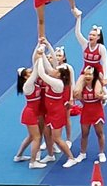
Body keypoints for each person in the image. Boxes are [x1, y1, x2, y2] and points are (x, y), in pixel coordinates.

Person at [33, 40, 80, 168]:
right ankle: (50, 154)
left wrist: (41, 54)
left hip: (57, 113)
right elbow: (50, 65)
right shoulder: (55, 77)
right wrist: (43, 49)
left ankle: (71, 158)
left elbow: (42, 73)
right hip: (50, 111)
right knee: (47, 133)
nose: (53, 70)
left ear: (59, 74)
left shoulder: (57, 83)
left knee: (57, 138)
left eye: (56, 70)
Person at [14, 46, 46, 168]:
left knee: (31, 136)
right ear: (25, 77)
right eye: (29, 72)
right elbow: (36, 70)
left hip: (34, 111)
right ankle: (33, 162)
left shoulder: (31, 82)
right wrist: (41, 53)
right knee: (37, 137)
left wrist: (38, 47)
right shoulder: (27, 85)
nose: (31, 72)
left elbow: (34, 65)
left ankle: (18, 156)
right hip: (30, 113)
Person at [73, 65, 107, 163]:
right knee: (84, 134)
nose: (88, 76)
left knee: (99, 133)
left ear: (94, 76)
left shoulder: (99, 85)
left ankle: (101, 153)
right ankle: (82, 153)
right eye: (86, 74)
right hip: (86, 111)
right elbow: (80, 98)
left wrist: (102, 97)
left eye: (90, 74)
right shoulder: (82, 87)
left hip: (97, 111)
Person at [74, 15, 107, 85]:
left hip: (97, 71)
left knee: (99, 92)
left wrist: (105, 77)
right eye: (90, 34)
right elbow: (77, 33)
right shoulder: (85, 44)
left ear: (98, 37)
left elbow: (105, 63)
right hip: (86, 71)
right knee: (76, 91)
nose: (90, 36)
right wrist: (78, 18)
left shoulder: (101, 48)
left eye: (93, 35)